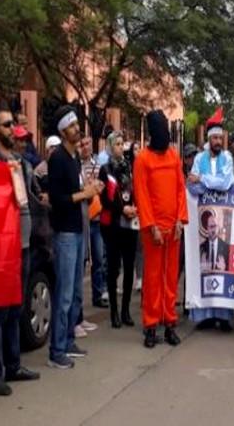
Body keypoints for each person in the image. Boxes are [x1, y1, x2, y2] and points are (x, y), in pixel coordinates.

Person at [0, 107, 40, 394]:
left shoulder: (20, 161)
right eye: (7, 125)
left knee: (16, 307)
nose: (12, 129)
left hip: (24, 244)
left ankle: (14, 365)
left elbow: (28, 198)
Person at [48, 105, 103, 369]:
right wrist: (85, 193)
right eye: (70, 126)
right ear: (62, 131)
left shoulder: (73, 158)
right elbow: (57, 199)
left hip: (78, 229)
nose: (76, 129)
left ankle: (68, 340)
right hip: (66, 233)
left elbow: (75, 192)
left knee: (75, 290)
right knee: (65, 293)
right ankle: (57, 350)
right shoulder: (58, 158)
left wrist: (90, 190)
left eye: (76, 125)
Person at [134, 109, 189, 349]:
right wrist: (152, 226)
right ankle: (150, 325)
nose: (164, 133)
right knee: (153, 278)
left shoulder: (174, 157)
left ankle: (170, 324)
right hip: (153, 230)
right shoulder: (143, 159)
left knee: (170, 278)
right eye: (161, 129)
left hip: (173, 228)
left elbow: (180, 189)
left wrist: (180, 221)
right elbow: (142, 195)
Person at [187, 115, 234, 330]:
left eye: (220, 138)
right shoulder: (199, 158)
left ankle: (223, 317)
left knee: (222, 265)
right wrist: (207, 184)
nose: (218, 141)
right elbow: (192, 185)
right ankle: (204, 315)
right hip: (203, 217)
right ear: (209, 139)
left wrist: (205, 181)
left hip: (223, 216)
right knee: (204, 264)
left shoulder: (228, 158)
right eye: (214, 138)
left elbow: (225, 183)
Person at [98, 130, 138, 329]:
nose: (120, 147)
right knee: (114, 269)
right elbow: (104, 199)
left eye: (122, 144)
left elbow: (135, 191)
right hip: (113, 224)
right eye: (116, 144)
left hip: (130, 225)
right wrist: (122, 209)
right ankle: (114, 311)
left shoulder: (130, 168)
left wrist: (134, 208)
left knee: (129, 268)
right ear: (110, 146)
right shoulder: (105, 170)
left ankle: (126, 310)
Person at [79, 136, 108, 309]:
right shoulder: (75, 164)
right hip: (81, 218)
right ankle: (80, 301)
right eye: (82, 144)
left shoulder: (99, 165)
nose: (85, 147)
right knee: (82, 261)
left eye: (87, 143)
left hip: (96, 216)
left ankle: (98, 295)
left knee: (98, 257)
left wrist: (96, 186)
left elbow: (104, 187)